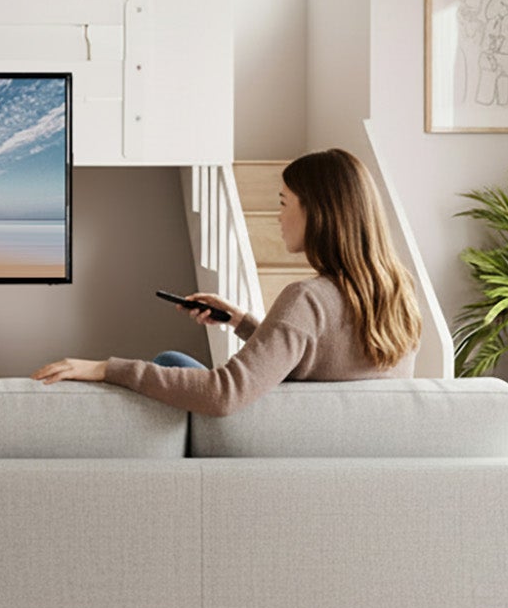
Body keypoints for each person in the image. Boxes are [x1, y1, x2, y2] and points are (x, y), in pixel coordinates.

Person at [32, 148, 422, 414]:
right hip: (330, 442)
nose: (278, 216)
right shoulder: (399, 293)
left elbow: (224, 393)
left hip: (271, 438)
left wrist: (106, 369)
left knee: (169, 361)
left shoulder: (308, 299)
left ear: (318, 213)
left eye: (283, 203)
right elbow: (320, 360)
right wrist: (242, 321)